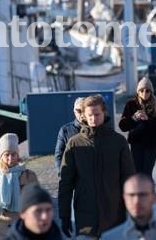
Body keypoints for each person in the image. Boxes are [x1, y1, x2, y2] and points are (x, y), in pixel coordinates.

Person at [59, 94, 136, 239]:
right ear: (84, 116)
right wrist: (64, 215)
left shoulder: (118, 141)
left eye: (97, 114)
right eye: (90, 115)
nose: (93, 118)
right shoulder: (74, 144)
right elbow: (65, 182)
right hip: (85, 218)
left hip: (114, 215)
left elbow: (129, 179)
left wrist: (133, 211)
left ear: (104, 112)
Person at [0, 133, 39, 240]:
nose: (10, 158)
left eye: (13, 154)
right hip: (1, 234)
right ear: (1, 156)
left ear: (18, 155)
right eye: (7, 155)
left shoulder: (29, 176)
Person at [101, 174, 156, 240]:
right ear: (124, 198)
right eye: (131, 195)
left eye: (143, 195)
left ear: (154, 197)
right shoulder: (110, 238)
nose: (137, 201)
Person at [119, 77, 156, 176]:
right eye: (141, 90)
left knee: (147, 174)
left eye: (147, 91)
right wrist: (134, 118)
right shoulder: (131, 104)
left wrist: (147, 120)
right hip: (136, 143)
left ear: (151, 92)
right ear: (138, 91)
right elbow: (122, 126)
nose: (144, 93)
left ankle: (148, 191)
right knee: (137, 173)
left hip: (152, 144)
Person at [54, 97, 85, 175]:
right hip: (72, 174)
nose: (81, 114)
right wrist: (61, 173)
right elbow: (59, 154)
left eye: (83, 110)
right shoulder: (65, 130)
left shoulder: (95, 128)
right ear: (74, 112)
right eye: (78, 111)